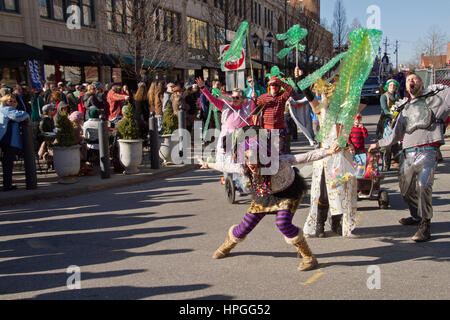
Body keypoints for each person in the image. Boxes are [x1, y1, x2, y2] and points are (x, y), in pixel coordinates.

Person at [197, 133, 340, 271]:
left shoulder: (279, 163)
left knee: (283, 223)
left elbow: (306, 157)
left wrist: (330, 151)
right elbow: (226, 166)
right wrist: (207, 164)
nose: (251, 163)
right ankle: (228, 244)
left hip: (287, 192)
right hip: (264, 195)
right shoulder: (244, 167)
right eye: (247, 158)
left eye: (254, 158)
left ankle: (308, 257)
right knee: (244, 227)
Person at [368, 73, 450, 242]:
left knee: (423, 186)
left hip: (428, 152)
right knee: (405, 190)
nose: (411, 81)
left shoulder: (436, 100)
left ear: (422, 82)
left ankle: (425, 225)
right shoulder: (404, 107)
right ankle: (416, 216)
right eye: (408, 80)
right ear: (405, 87)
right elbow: (395, 135)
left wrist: (442, 88)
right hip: (408, 153)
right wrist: (378, 144)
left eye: (415, 79)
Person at [297, 67, 368, 238]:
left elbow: (364, 100)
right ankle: (320, 223)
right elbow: (308, 94)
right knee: (322, 191)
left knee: (341, 189)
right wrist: (300, 77)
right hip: (325, 156)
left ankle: (337, 223)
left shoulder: (348, 110)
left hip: (342, 156)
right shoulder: (321, 109)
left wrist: (355, 82)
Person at [251, 76, 294, 155]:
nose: (274, 86)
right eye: (272, 84)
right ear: (269, 86)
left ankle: (280, 167)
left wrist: (279, 81)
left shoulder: (282, 96)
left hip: (279, 130)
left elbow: (291, 90)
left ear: (279, 87)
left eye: (276, 85)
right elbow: (254, 111)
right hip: (266, 130)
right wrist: (254, 99)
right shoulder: (263, 97)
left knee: (280, 154)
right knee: (267, 154)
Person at [0, 94, 30, 191]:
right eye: (10, 101)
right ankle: (7, 185)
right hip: (7, 140)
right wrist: (27, 115)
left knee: (7, 164)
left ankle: (7, 184)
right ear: (5, 101)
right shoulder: (7, 109)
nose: (12, 103)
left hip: (7, 140)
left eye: (14, 101)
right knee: (8, 163)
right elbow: (18, 116)